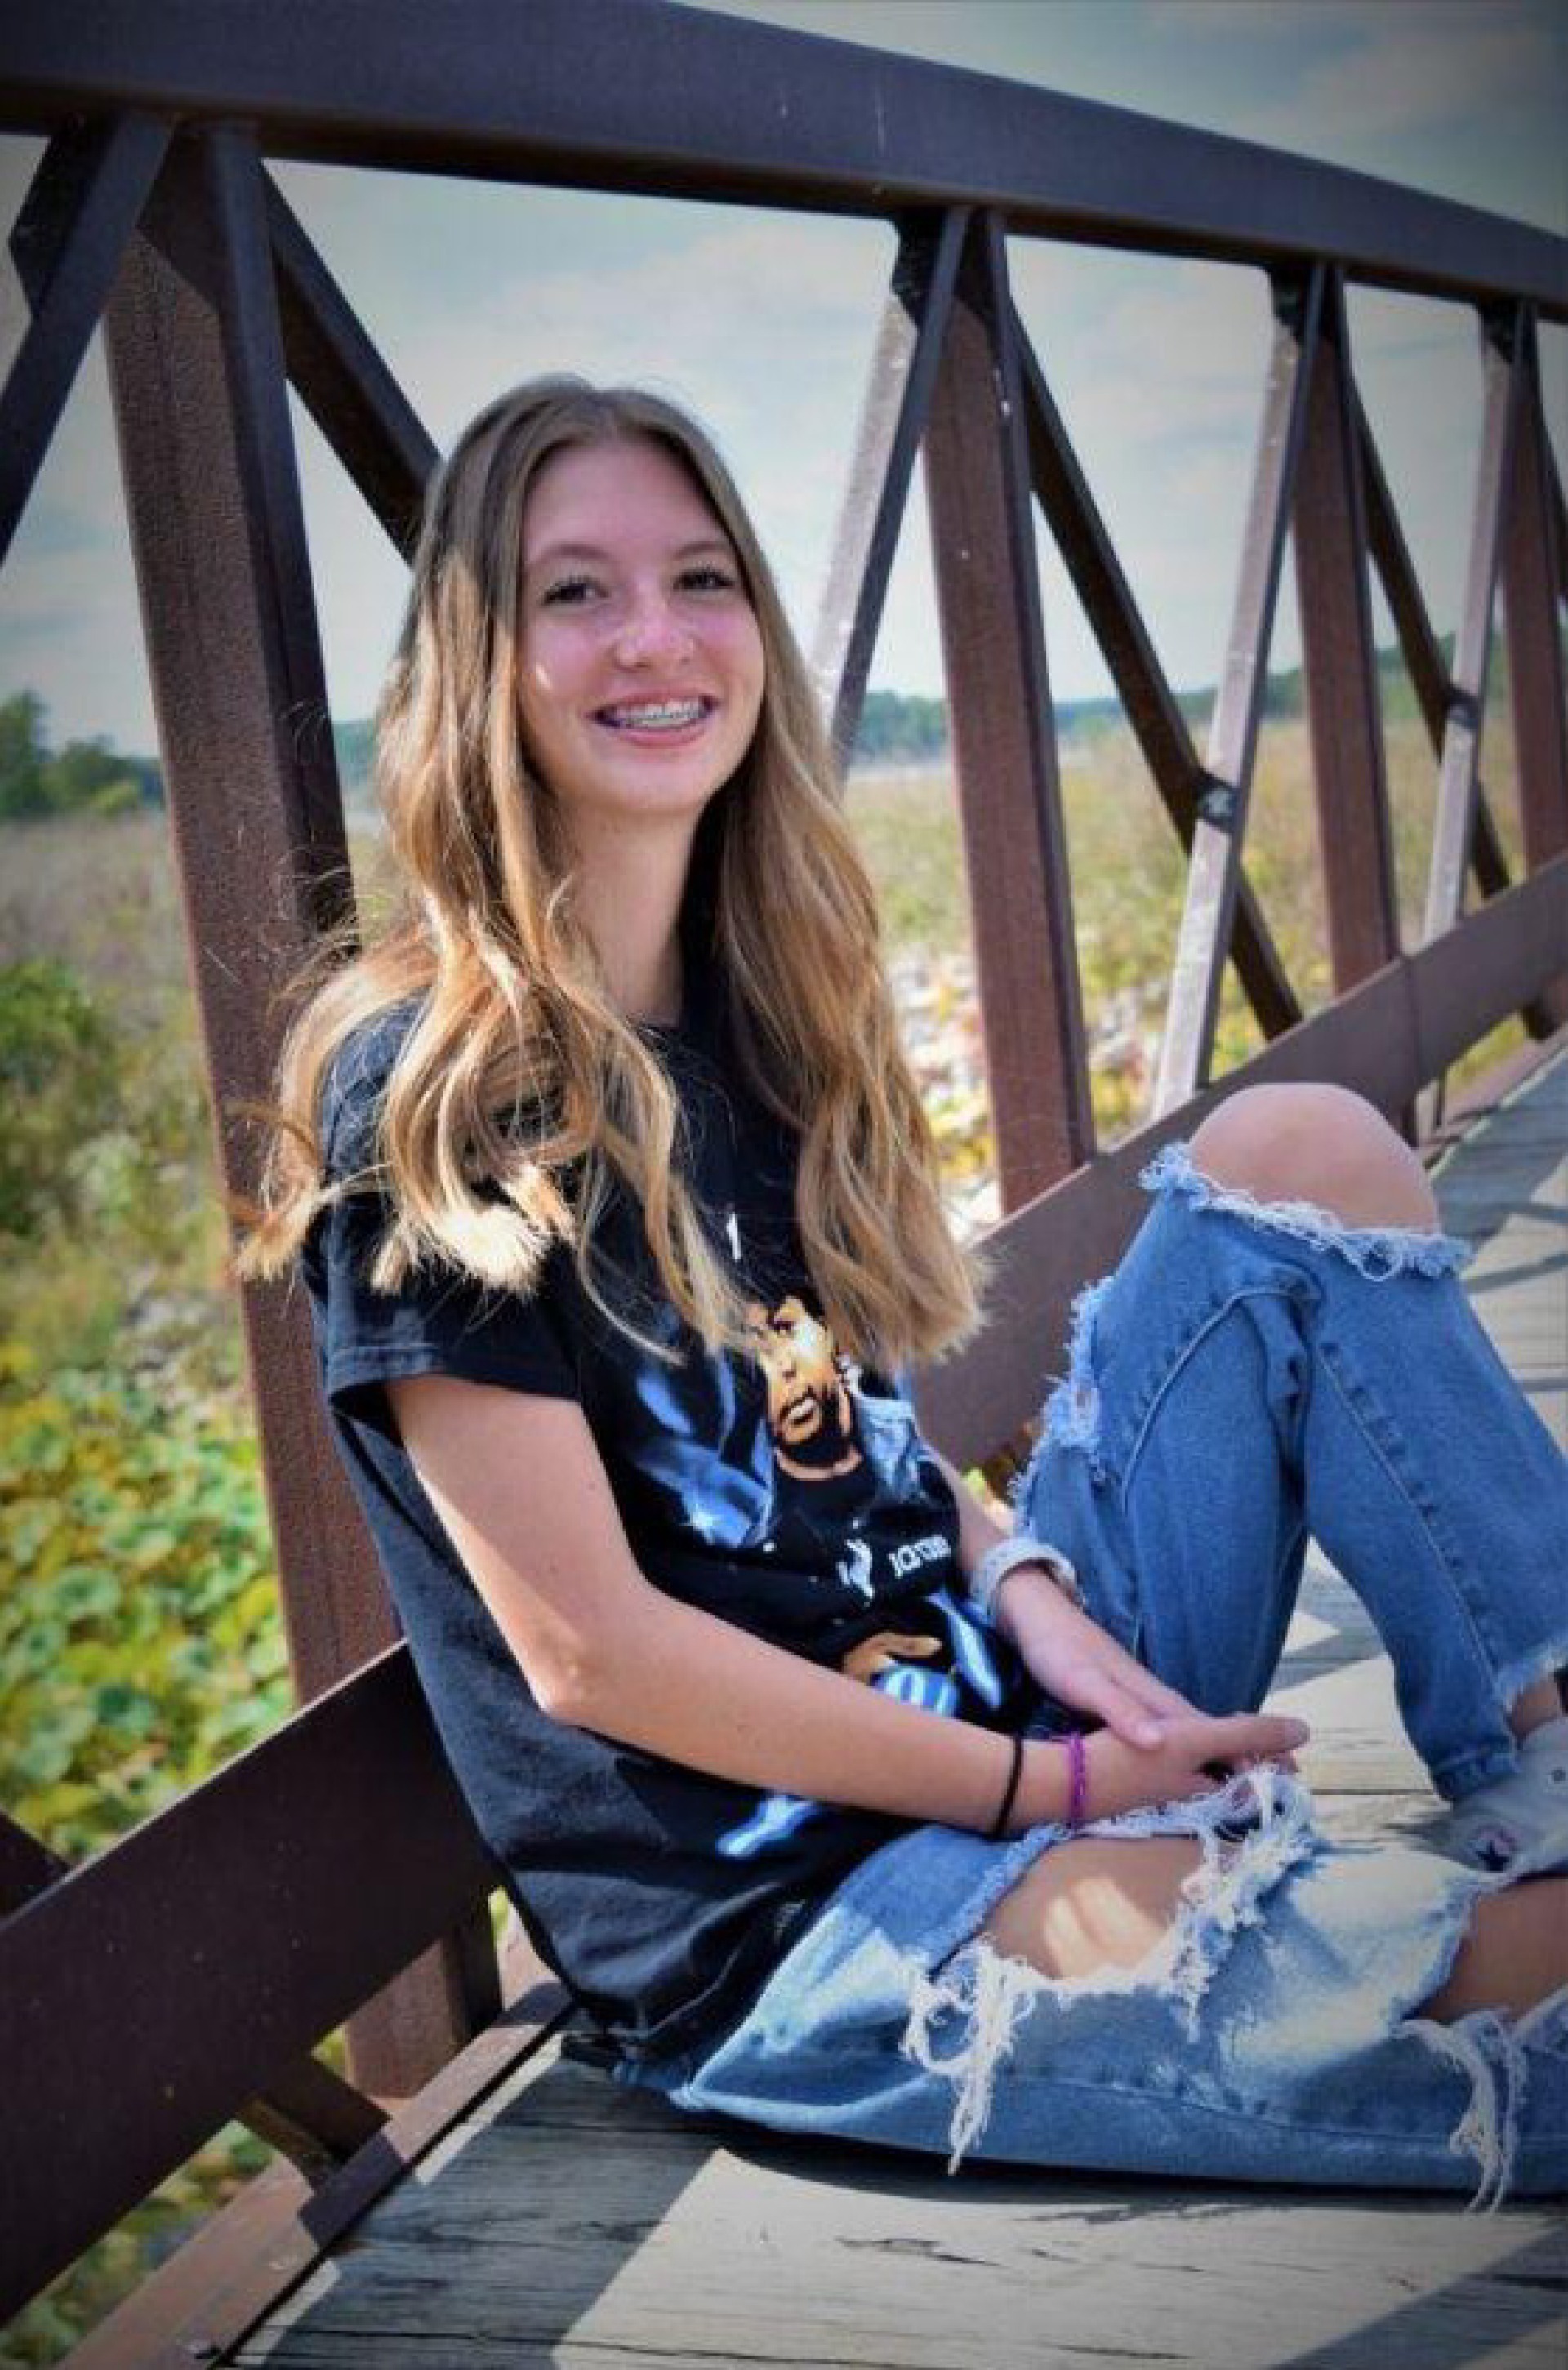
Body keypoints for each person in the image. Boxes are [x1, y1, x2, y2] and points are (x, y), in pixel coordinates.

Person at [238, 376, 1568, 2206]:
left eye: (702, 578)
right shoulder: (438, 1093)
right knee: (1525, 2017)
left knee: (1307, 1152)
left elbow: (829, 1433)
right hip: (825, 1903)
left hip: (992, 1708)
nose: (655, 637)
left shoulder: (753, 1013)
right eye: (574, 591)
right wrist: (1058, 1795)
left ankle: (1546, 1765)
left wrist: (1023, 1585)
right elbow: (589, 1648)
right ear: (477, 655)